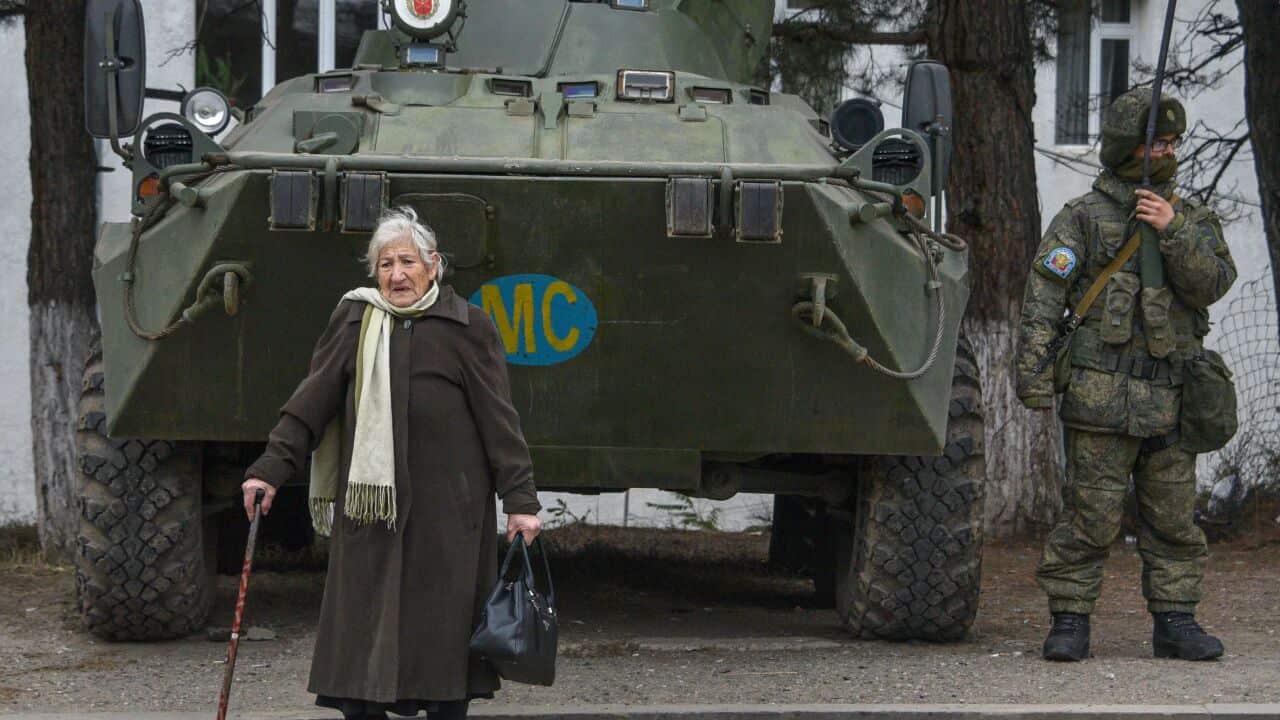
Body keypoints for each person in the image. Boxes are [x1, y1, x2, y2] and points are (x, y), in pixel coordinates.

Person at [241, 207, 543, 719]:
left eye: (407, 261)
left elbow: (500, 421)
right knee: (361, 646)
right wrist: (270, 468)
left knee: (444, 654)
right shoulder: (355, 320)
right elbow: (310, 401)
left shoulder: (466, 326)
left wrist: (520, 501)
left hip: (448, 516)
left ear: (433, 266)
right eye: (385, 264)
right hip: (371, 513)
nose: (396, 275)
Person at [1016, 87, 1236, 662]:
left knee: (1173, 521)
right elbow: (1043, 298)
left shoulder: (1191, 219)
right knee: (1088, 518)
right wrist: (1033, 377)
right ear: (1125, 148)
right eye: (1155, 143)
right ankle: (1069, 619)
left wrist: (1173, 230)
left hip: (1170, 403)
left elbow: (1212, 283)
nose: (1166, 153)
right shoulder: (1082, 220)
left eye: (1172, 143)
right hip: (1099, 399)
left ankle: (1176, 621)